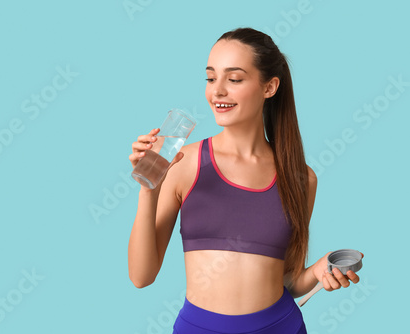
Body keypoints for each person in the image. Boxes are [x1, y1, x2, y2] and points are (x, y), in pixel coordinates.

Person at [128, 27, 363, 334]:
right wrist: (149, 188)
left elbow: (287, 280)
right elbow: (141, 276)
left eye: (234, 79)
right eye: (211, 78)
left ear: (270, 87)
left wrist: (317, 272)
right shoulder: (182, 164)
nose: (217, 91)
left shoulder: (301, 178)